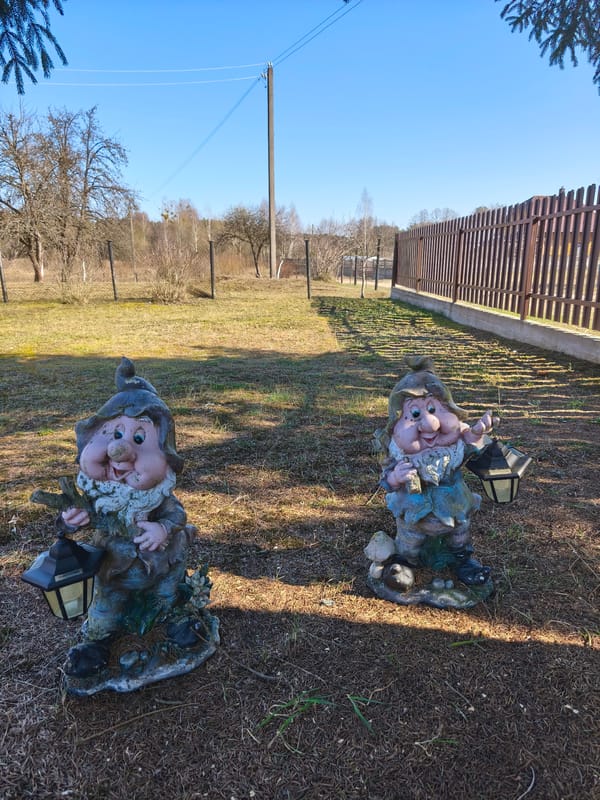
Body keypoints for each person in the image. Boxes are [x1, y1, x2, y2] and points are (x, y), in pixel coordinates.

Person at [59, 357, 196, 678]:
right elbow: (67, 527)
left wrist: (164, 529)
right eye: (113, 433)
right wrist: (70, 520)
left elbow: (176, 514)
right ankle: (97, 641)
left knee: (165, 594)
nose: (120, 451)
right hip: (112, 571)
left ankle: (171, 618)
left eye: (139, 439)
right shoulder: (93, 496)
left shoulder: (157, 494)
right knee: (106, 610)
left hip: (161, 565)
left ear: (166, 456)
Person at [372, 356, 495, 592]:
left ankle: (463, 561)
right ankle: (405, 564)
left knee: (460, 532)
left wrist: (477, 434)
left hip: (453, 504)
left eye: (434, 409)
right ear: (396, 423)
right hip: (415, 509)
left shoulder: (455, 446)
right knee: (410, 538)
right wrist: (395, 477)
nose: (431, 425)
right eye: (414, 414)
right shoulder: (398, 454)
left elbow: (473, 446)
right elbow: (386, 480)